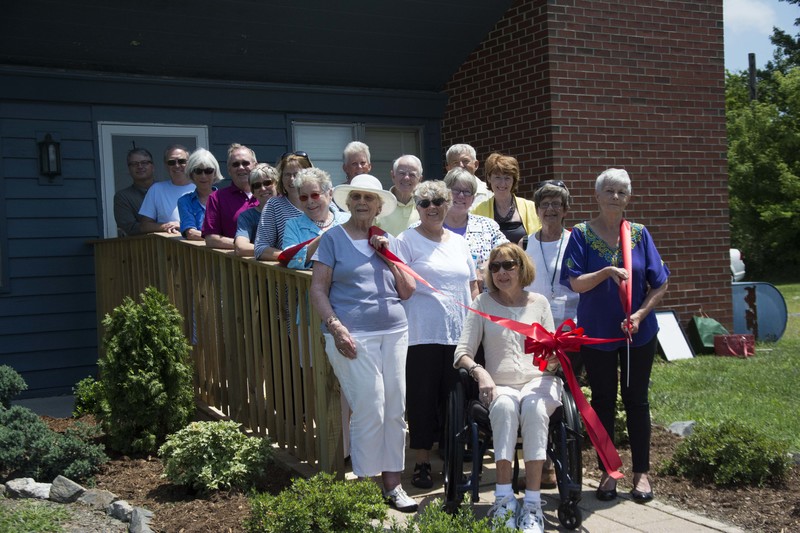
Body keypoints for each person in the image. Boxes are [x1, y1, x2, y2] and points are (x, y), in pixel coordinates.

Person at [309, 174, 418, 513]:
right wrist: (335, 326)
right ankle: (368, 485)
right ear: (348, 201)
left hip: (395, 332)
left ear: (379, 206)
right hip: (353, 334)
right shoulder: (332, 239)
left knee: (396, 410)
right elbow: (317, 289)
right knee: (371, 406)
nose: (361, 202)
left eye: (368, 198)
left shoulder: (387, 239)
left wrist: (387, 257)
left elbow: (407, 290)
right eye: (356, 196)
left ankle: (393, 484)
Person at [560, 168, 669, 504]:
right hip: (597, 333)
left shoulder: (639, 233)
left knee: (636, 400)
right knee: (604, 401)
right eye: (609, 191)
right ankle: (610, 471)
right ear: (597, 195)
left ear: (629, 197)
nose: (615, 197)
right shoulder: (580, 234)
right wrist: (606, 271)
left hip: (638, 333)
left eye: (622, 192)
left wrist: (639, 314)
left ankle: (641, 474)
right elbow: (575, 282)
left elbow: (660, 283)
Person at [454, 243, 560, 533]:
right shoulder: (482, 304)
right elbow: (462, 353)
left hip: (539, 381)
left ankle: (533, 504)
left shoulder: (539, 303)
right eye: (495, 267)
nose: (501, 272)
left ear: (521, 267)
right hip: (500, 384)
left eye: (508, 265)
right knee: (503, 406)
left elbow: (552, 359)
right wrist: (480, 373)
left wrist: (552, 361)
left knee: (535, 406)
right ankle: (503, 499)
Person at [395, 180, 478, 489]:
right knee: (422, 401)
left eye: (438, 201)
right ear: (417, 207)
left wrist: (475, 326)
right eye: (425, 203)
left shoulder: (458, 242)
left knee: (457, 400)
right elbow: (399, 285)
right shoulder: (405, 241)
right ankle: (421, 462)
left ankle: (455, 462)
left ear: (448, 204)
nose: (432, 208)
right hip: (421, 334)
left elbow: (473, 285)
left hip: (460, 335)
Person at [440, 167, 508, 292]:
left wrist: (485, 269)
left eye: (467, 192)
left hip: (484, 302)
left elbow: (507, 252)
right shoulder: (427, 228)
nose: (461, 196)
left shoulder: (488, 226)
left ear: (473, 198)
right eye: (455, 190)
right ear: (445, 194)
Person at [281, 167, 349, 269]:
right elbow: (290, 260)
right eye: (304, 197)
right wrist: (323, 238)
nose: (310, 201)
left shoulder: (348, 220)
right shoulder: (293, 226)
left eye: (315, 195)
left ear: (330, 194)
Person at [254, 152, 312, 260]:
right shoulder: (274, 206)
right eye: (287, 174)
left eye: (296, 174)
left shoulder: (323, 202)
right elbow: (260, 248)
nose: (291, 179)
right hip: (290, 272)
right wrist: (295, 258)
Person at [472, 153, 540, 244]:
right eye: (497, 177)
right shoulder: (477, 211)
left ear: (514, 180)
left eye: (507, 178)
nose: (502, 183)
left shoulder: (531, 207)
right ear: (489, 178)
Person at [202, 144, 259, 249]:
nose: (241, 168)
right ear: (229, 170)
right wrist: (247, 247)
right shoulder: (217, 198)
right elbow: (211, 239)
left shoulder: (269, 195)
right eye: (235, 164)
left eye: (246, 163)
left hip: (269, 262)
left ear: (255, 166)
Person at [138, 145, 195, 234]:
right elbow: (144, 226)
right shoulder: (156, 189)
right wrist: (166, 226)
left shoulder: (201, 188)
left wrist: (183, 226)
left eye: (181, 161)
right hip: (167, 245)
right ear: (166, 165)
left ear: (190, 163)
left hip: (197, 245)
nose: (177, 165)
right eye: (171, 162)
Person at [234, 164, 278, 257]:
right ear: (253, 192)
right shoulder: (247, 216)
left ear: (277, 185)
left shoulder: (289, 210)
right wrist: (284, 255)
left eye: (267, 183)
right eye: (257, 185)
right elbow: (241, 247)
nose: (262, 188)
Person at [178, 149, 221, 241]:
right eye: (198, 171)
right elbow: (190, 233)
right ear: (191, 174)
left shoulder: (225, 198)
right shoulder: (185, 201)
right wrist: (217, 240)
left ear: (215, 173)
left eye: (208, 171)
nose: (203, 176)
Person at [376, 155, 422, 236]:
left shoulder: (425, 206)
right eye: (402, 173)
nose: (406, 178)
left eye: (412, 175)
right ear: (393, 176)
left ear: (419, 179)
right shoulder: (378, 205)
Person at [114, 148, 155, 236]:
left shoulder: (166, 190)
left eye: (144, 162)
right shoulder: (123, 197)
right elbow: (130, 227)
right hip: (142, 247)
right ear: (129, 169)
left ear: (152, 167)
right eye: (134, 164)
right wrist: (163, 226)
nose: (140, 166)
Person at [445, 143, 492, 207]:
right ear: (448, 168)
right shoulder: (442, 195)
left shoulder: (490, 192)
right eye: (455, 163)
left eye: (465, 161)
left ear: (476, 165)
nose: (461, 165)